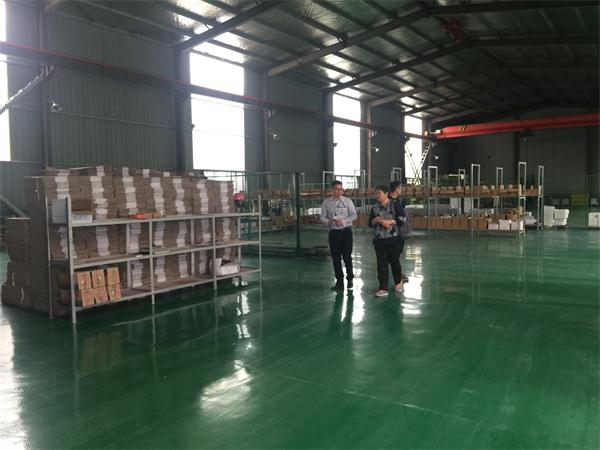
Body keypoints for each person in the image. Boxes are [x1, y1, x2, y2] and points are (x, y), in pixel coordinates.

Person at [320, 180, 357, 291]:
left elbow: (354, 215)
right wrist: (329, 221)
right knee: (335, 258)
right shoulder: (326, 203)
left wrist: (344, 221)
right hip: (333, 233)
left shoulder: (348, 201)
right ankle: (339, 282)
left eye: (340, 189)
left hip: (346, 232)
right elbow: (322, 217)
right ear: (332, 190)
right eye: (336, 189)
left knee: (347, 257)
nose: (339, 191)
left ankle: (350, 279)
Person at [369, 185, 402, 297]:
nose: (377, 195)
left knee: (395, 262)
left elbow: (402, 219)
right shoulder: (374, 207)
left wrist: (389, 222)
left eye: (379, 193)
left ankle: (398, 283)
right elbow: (370, 223)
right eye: (376, 193)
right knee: (381, 264)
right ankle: (383, 288)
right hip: (379, 240)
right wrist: (375, 220)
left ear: (386, 193)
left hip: (393, 238)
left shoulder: (394, 204)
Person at [388, 181, 410, 283]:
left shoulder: (399, 200)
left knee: (397, 253)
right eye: (400, 187)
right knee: (393, 255)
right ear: (396, 188)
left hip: (400, 231)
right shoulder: (387, 201)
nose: (401, 189)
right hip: (391, 232)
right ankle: (398, 275)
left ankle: (397, 273)